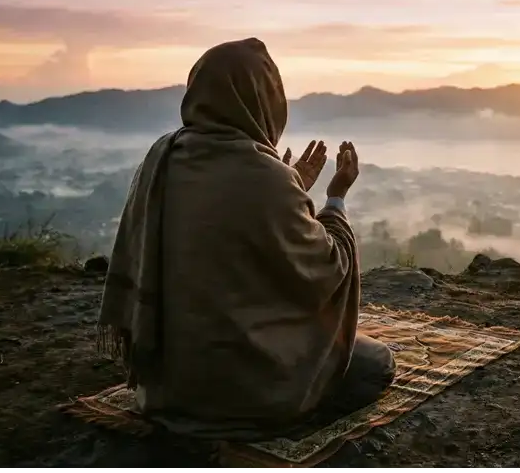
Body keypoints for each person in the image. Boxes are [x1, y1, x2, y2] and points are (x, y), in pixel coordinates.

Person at [96, 38, 396, 438]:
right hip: (247, 390)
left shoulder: (161, 158)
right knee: (375, 364)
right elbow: (328, 267)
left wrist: (293, 189)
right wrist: (334, 198)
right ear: (265, 100)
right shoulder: (266, 178)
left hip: (167, 388)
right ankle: (275, 409)